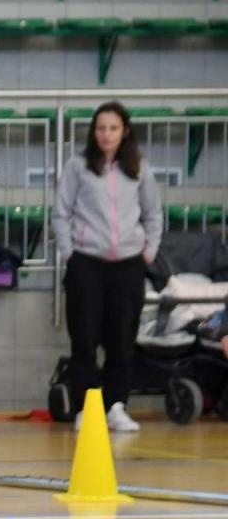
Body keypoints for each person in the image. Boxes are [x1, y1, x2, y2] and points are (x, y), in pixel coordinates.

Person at [51, 100, 162, 434]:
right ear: (93, 132)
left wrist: (148, 252)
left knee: (122, 339)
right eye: (101, 128)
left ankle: (116, 406)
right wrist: (70, 253)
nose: (106, 135)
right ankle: (86, 407)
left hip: (128, 266)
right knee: (84, 339)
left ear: (124, 131)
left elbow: (153, 214)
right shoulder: (77, 167)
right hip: (87, 264)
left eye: (113, 128)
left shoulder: (140, 168)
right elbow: (61, 213)